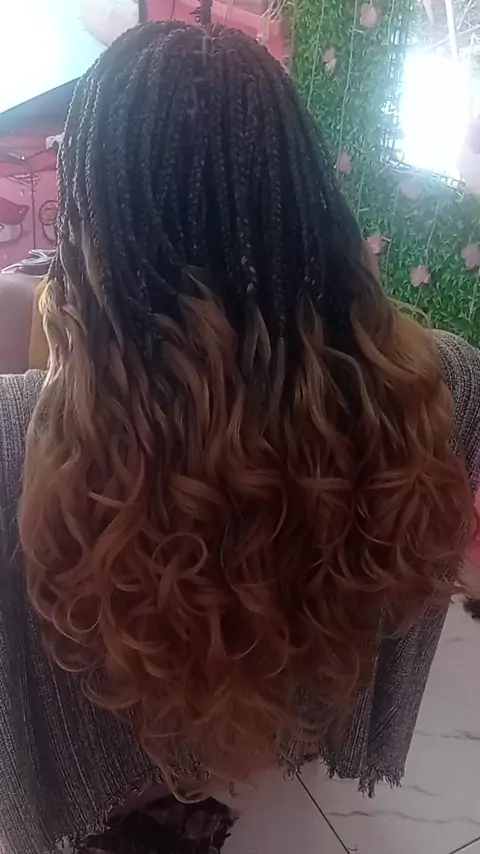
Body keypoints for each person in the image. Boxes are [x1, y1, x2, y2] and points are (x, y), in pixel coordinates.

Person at [1, 20, 480, 854]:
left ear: (93, 212)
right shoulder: (444, 380)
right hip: (291, 684)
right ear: (304, 191)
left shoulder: (16, 434)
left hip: (124, 704)